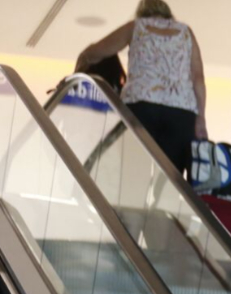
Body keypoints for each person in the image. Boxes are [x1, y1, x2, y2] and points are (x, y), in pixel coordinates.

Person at [75, 0, 206, 173]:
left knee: (135, 172)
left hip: (141, 109)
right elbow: (198, 79)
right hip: (181, 114)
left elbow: (96, 51)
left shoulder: (136, 27)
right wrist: (201, 118)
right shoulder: (186, 32)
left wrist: (83, 61)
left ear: (142, 12)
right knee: (171, 179)